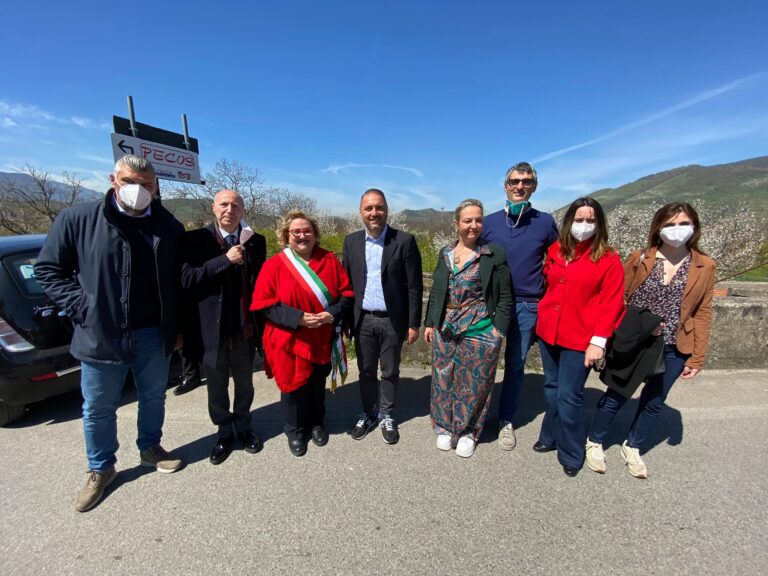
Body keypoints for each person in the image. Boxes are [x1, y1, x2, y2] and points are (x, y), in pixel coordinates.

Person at [34, 155, 185, 512]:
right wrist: (84, 307)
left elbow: (179, 281)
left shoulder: (168, 225)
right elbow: (48, 270)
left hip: (152, 333)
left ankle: (150, 448)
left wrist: (176, 328)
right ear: (113, 180)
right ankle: (101, 468)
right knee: (99, 407)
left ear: (157, 186)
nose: (139, 190)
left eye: (147, 184)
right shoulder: (79, 219)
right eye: (131, 181)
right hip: (101, 333)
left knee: (154, 397)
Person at [585, 203, 716, 479]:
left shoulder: (704, 265)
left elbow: (702, 311)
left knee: (655, 400)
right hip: (637, 341)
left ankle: (633, 446)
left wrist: (697, 356)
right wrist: (615, 334)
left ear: (694, 227)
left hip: (675, 345)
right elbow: (617, 297)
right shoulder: (640, 258)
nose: (677, 230)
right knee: (617, 393)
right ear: (658, 227)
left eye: (684, 224)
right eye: (670, 224)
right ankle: (595, 441)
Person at [534, 197, 624, 477]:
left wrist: (598, 342)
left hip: (580, 338)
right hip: (549, 331)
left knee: (570, 395)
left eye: (590, 220)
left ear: (599, 224)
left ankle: (571, 451)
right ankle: (549, 435)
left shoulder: (608, 259)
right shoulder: (555, 250)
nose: (584, 225)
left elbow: (612, 303)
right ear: (568, 222)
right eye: (579, 219)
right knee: (551, 388)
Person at [250, 211, 353, 456]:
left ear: (315, 234)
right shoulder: (274, 265)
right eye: (295, 232)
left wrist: (332, 314)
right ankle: (295, 430)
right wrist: (298, 319)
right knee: (293, 388)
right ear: (286, 236)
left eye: (307, 231)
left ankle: (317, 423)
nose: (302, 235)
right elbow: (264, 304)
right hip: (289, 339)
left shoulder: (329, 260)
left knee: (317, 384)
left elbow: (346, 296)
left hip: (321, 337)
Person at [181, 189, 267, 465]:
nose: (230, 209)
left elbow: (259, 284)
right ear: (213, 208)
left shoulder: (256, 241)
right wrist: (224, 261)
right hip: (212, 330)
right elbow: (186, 279)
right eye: (224, 204)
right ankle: (223, 432)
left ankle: (244, 427)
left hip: (244, 328)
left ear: (243, 211)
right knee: (216, 388)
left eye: (236, 205)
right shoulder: (195, 240)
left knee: (245, 384)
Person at [424, 199, 512, 457]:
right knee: (443, 378)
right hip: (445, 328)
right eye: (467, 220)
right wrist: (430, 322)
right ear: (456, 224)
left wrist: (499, 331)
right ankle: (443, 426)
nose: (473, 225)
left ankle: (467, 431)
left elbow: (505, 296)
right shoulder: (445, 254)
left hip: (481, 329)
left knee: (474, 383)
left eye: (478, 220)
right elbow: (438, 291)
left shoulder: (494, 254)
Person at [481, 162, 558, 450]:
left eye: (526, 182)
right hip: (491, 305)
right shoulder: (488, 223)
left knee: (515, 367)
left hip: (527, 306)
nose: (519, 186)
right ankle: (476, 417)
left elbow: (556, 263)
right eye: (514, 181)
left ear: (534, 187)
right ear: (505, 186)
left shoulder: (545, 222)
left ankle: (506, 420)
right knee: (484, 364)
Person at [342, 189, 423, 444]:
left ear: (387, 210)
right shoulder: (351, 241)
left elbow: (414, 286)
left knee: (390, 371)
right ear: (361, 212)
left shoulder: (404, 240)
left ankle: (386, 413)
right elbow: (345, 285)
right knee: (365, 371)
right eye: (369, 208)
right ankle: (367, 413)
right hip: (362, 320)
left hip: (392, 320)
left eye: (379, 208)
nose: (374, 213)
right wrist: (345, 320)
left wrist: (413, 323)